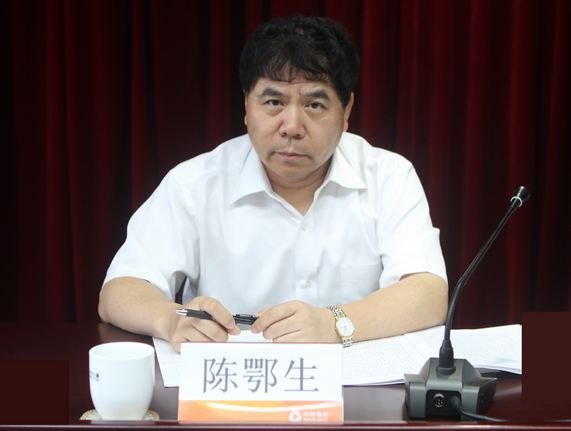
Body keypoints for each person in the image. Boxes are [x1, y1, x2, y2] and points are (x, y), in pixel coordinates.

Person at [98, 15, 448, 352]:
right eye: (274, 102)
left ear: (346, 111)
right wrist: (170, 320)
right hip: (233, 384)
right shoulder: (195, 184)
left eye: (314, 104)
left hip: (355, 388)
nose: (291, 126)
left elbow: (428, 292)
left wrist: (334, 323)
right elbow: (120, 290)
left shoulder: (389, 176)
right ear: (247, 106)